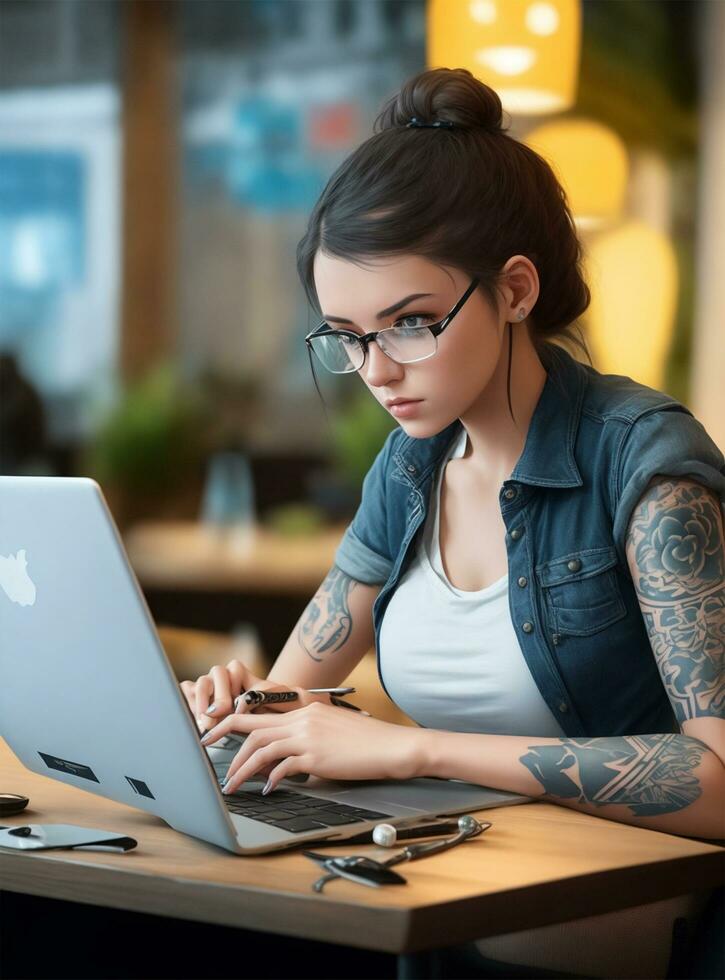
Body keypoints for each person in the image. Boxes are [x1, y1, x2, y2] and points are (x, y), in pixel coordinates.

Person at [181, 68, 725, 978]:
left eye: (410, 323)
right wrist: (242, 712)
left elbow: (717, 777)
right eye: (347, 336)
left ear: (514, 290)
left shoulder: (646, 466)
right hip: (435, 902)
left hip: (605, 934)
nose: (376, 371)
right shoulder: (411, 466)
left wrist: (414, 746)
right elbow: (292, 697)